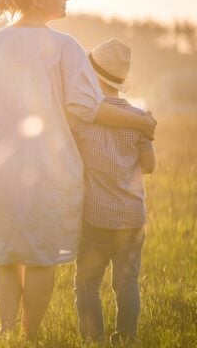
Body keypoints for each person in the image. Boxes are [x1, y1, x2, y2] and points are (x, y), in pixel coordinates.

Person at [0, 0, 156, 339]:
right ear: (39, 0)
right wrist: (141, 122)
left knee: (6, 255)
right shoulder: (64, 46)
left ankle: (7, 334)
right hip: (53, 173)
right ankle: (30, 336)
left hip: (1, 171)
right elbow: (89, 107)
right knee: (41, 258)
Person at [72, 38, 156, 344]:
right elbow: (149, 165)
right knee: (128, 281)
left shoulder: (84, 117)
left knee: (87, 282)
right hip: (133, 215)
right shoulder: (138, 118)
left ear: (92, 76)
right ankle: (127, 338)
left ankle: (94, 338)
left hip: (97, 215)